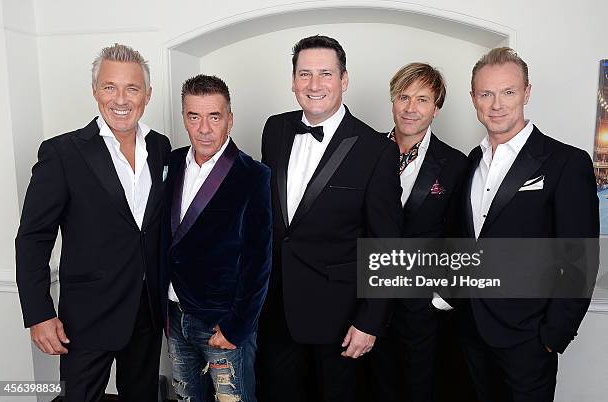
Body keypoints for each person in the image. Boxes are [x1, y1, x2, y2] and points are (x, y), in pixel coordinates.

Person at [15, 43, 171, 401]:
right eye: (109, 87)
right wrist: (39, 314)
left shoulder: (161, 148)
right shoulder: (62, 153)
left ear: (147, 95)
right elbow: (33, 238)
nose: (121, 99)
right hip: (85, 319)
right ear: (95, 91)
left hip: (146, 314)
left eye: (132, 88)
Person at [258, 35, 403, 402]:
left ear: (344, 80)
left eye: (325, 73)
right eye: (304, 74)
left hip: (341, 320)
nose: (314, 85)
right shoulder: (274, 130)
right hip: (277, 312)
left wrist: (369, 321)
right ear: (292, 81)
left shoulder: (377, 150)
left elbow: (386, 245)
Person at [458, 47, 599, 402]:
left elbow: (580, 260)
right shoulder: (471, 161)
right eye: (486, 93)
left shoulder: (565, 162)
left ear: (527, 93)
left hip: (528, 339)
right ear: (473, 97)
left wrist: (553, 336)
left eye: (508, 92)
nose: (497, 104)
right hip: (471, 332)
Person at [367, 62, 476, 402]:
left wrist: (441, 298)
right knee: (368, 386)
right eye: (404, 97)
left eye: (423, 99)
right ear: (392, 101)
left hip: (421, 306)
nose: (411, 108)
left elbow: (461, 235)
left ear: (436, 108)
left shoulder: (455, 163)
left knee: (421, 388)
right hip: (365, 297)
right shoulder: (363, 151)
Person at [160, 74, 272, 402]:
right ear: (184, 118)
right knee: (187, 399)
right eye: (194, 116)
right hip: (175, 314)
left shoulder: (253, 175)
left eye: (214, 116)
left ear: (230, 120)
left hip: (221, 323)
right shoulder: (170, 163)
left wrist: (236, 326)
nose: (204, 128)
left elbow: (259, 260)